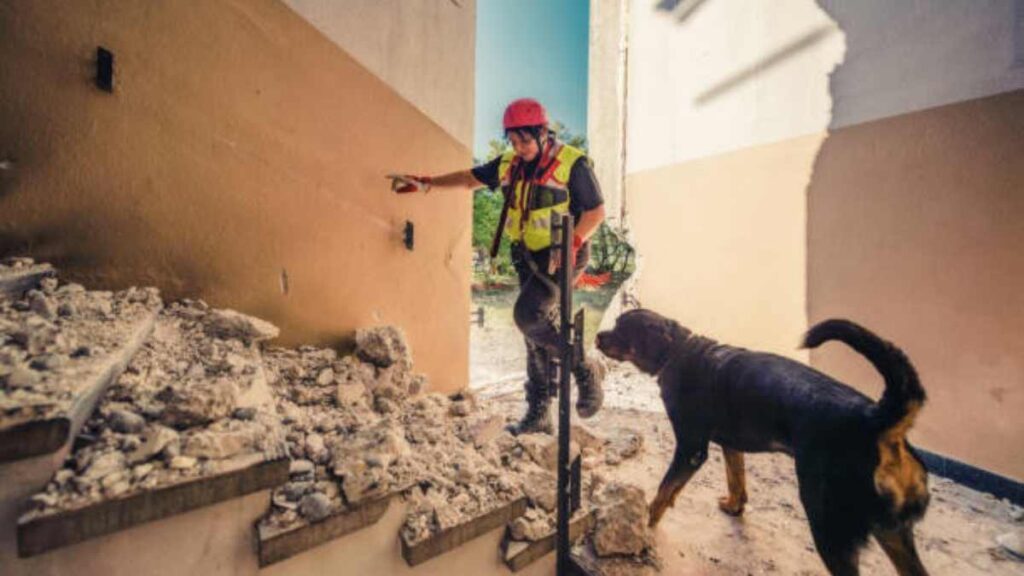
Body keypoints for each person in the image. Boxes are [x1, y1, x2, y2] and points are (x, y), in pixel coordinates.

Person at [395, 98, 606, 434]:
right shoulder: (509, 163)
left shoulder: (572, 163)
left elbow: (595, 212)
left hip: (562, 253)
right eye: (513, 140)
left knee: (528, 316)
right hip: (527, 257)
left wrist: (574, 242)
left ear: (542, 132)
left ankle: (583, 367)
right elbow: (469, 178)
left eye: (525, 140)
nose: (519, 147)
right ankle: (539, 414)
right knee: (534, 334)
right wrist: (427, 183)